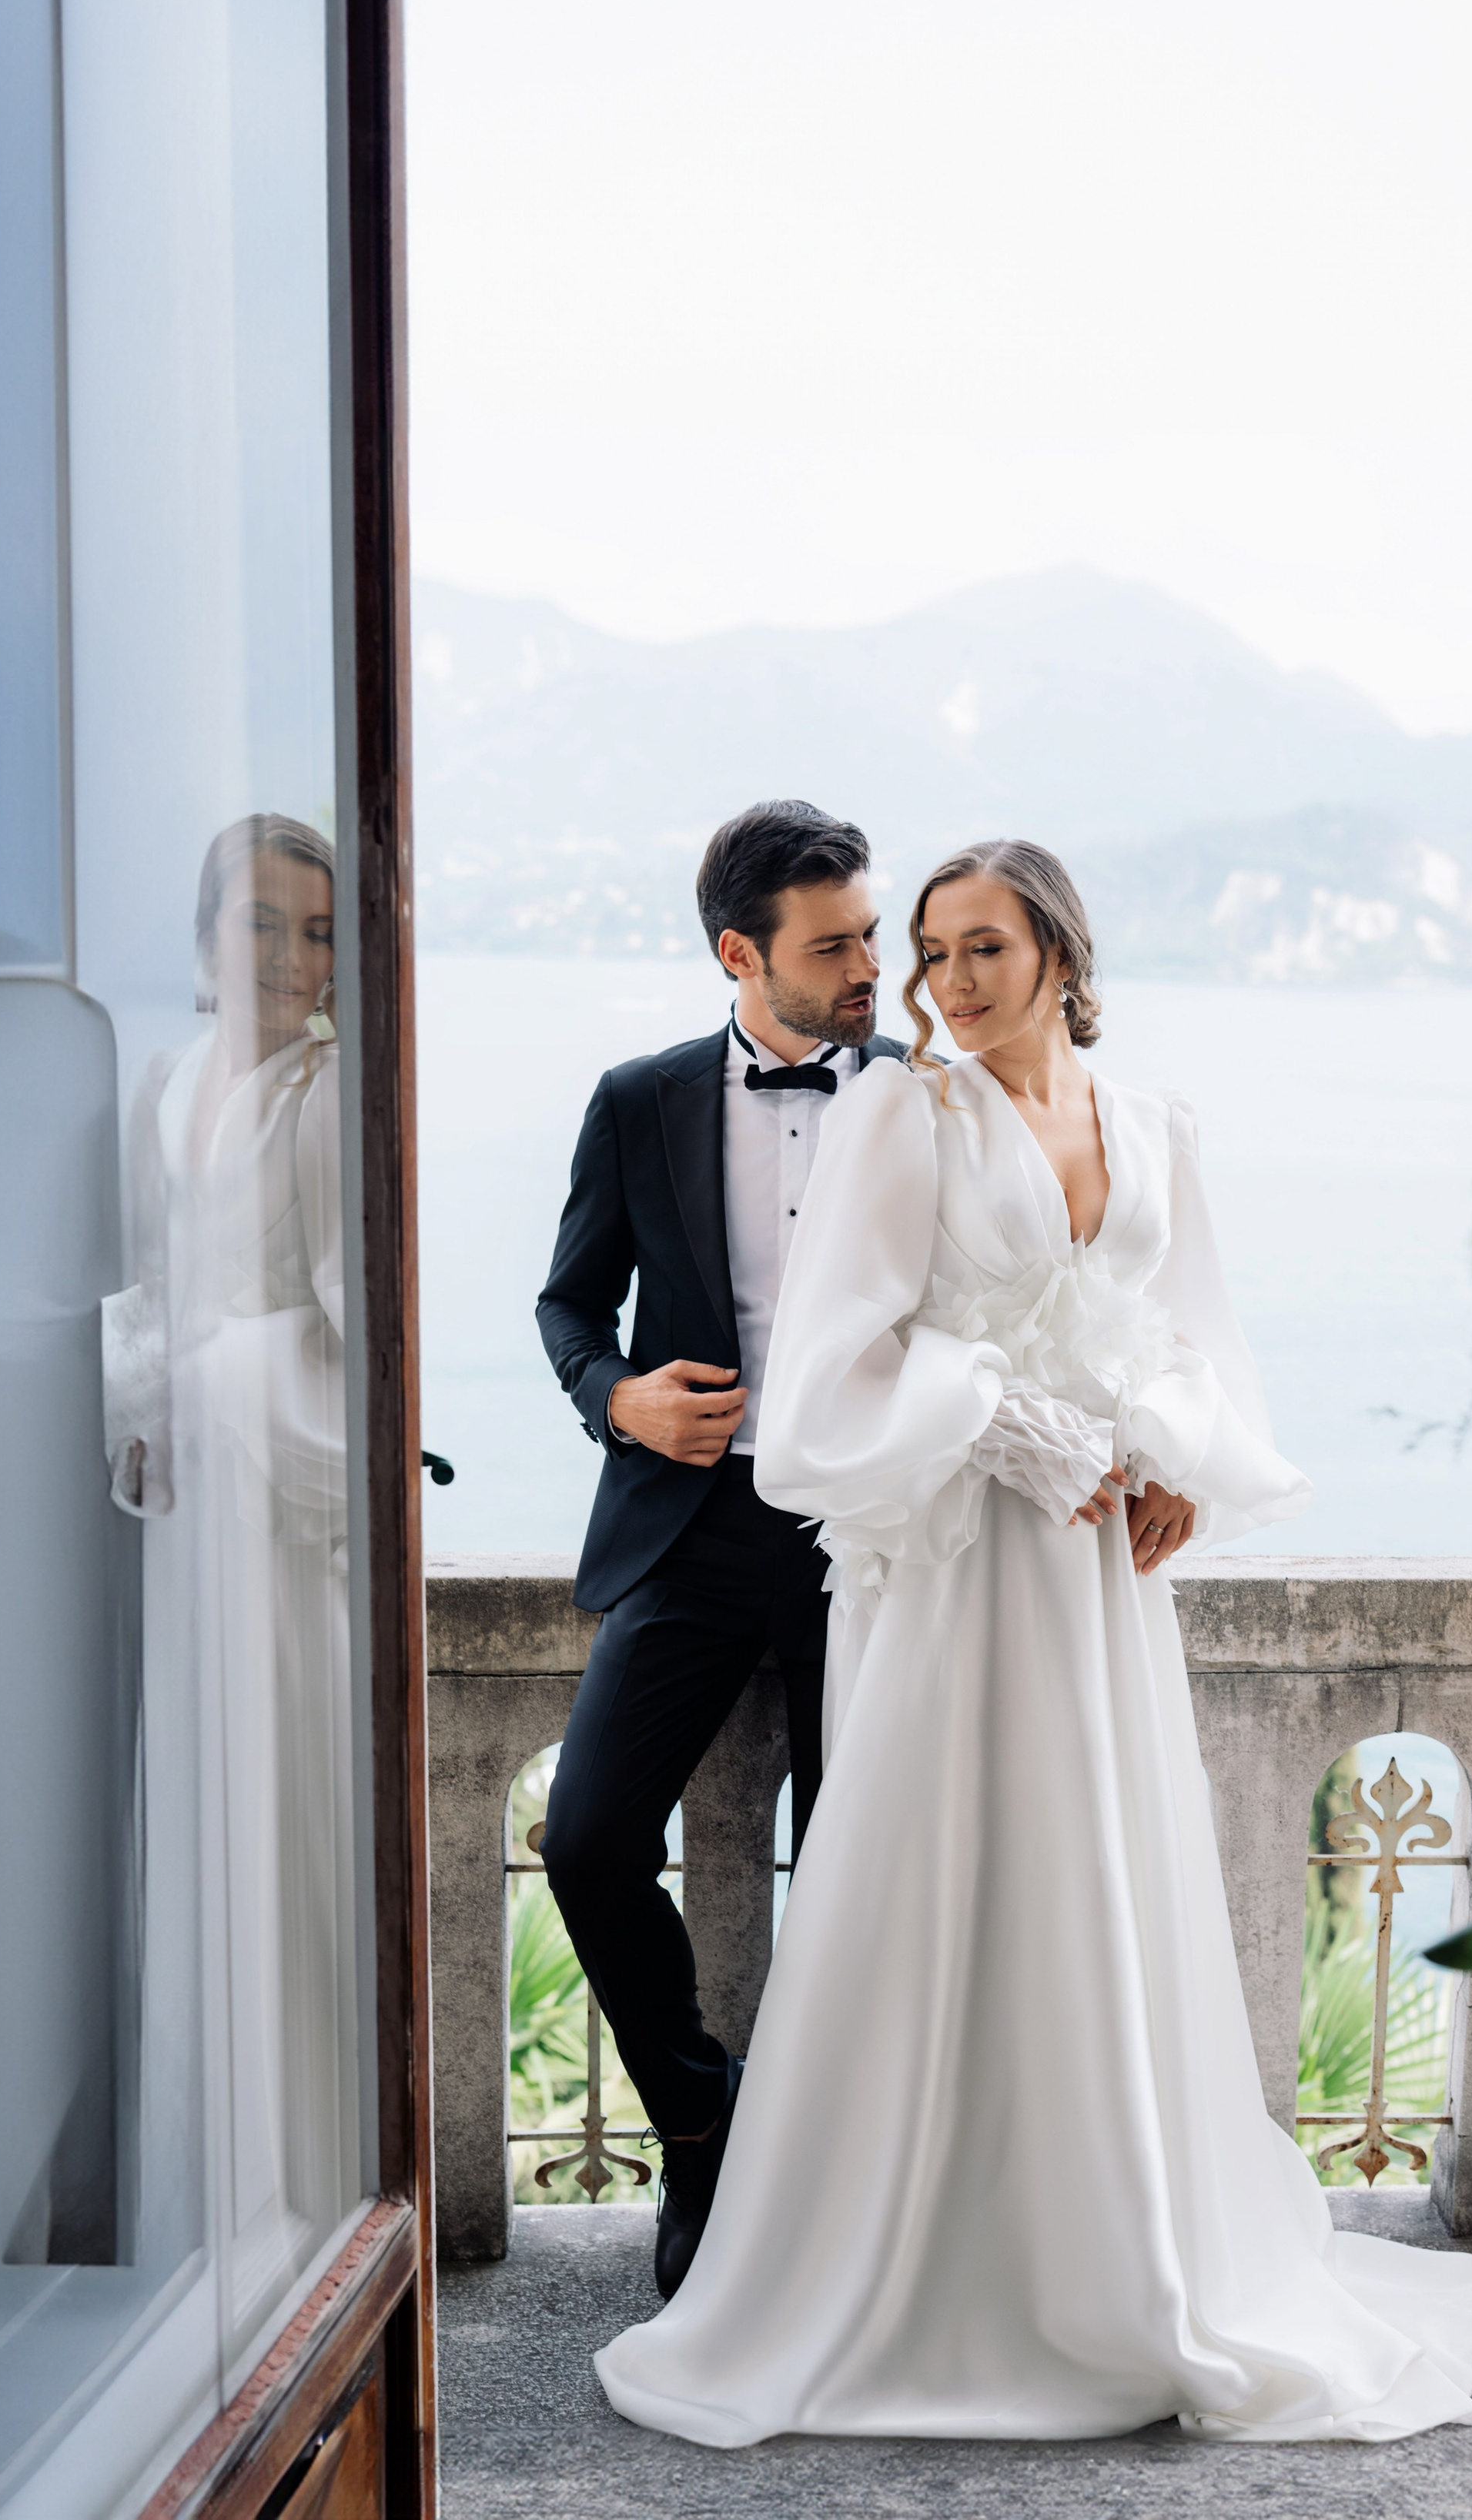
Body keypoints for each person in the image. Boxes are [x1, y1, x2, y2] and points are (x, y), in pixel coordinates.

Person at [596, 839, 1472, 2446]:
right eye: (931, 952)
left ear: (1058, 950)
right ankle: (922, 2260)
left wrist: (1173, 1454)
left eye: (984, 946)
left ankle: (1128, 2246)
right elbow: (826, 1370)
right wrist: (999, 1421)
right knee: (949, 1868)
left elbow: (1186, 1329)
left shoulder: (1154, 1122)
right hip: (963, 1562)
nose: (949, 980)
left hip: (1100, 1576)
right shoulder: (909, 1113)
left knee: (1100, 1869)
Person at [535, 798, 906, 2295]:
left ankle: (831, 2177)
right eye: (833, 945)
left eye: (870, 933)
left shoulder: (921, 1098)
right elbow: (570, 1304)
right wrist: (617, 1397)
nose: (870, 966)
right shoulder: (638, 1100)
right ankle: (699, 2122)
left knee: (859, 1865)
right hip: (689, 1531)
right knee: (585, 1839)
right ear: (739, 955)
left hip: (869, 1536)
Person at [102, 813, 358, 2310]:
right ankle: (199, 2191)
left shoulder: (325, 1103)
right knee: (189, 1822)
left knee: (280, 1821)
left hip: (279, 1515)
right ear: (205, 934)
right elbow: (143, 1286)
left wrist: (207, 1380)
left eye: (317, 932)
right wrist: (142, 1402)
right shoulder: (159, 1084)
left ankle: (303, 2187)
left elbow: (351, 1337)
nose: (289, 956)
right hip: (182, 1512)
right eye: (262, 921)